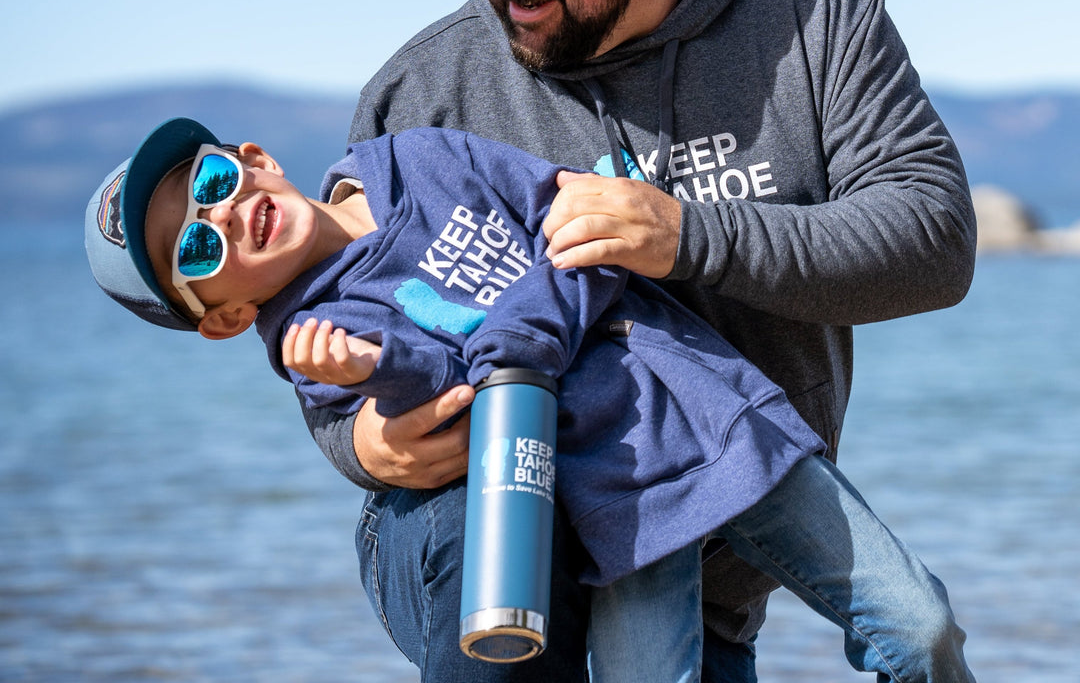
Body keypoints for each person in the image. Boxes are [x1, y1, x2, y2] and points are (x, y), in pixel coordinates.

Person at [291, 0, 979, 682]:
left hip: (717, 550)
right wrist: (366, 447)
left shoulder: (817, 15)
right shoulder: (423, 95)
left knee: (920, 634)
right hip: (502, 550)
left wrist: (691, 236)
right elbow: (343, 317)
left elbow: (933, 241)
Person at [84, 116, 976, 682]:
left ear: (251, 159)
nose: (226, 217)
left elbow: (581, 229)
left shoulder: (418, 158)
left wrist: (521, 343)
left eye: (209, 187)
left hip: (711, 418)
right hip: (614, 509)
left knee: (920, 626)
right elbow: (465, 404)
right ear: (224, 316)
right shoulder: (319, 349)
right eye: (196, 252)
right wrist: (380, 375)